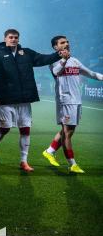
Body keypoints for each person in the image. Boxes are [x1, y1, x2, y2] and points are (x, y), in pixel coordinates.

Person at [0, 28, 63, 172]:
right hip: (6, 98)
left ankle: (23, 161)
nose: (13, 39)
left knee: (25, 130)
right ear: (5, 39)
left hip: (24, 98)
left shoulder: (26, 53)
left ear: (18, 39)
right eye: (11, 37)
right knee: (5, 128)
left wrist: (58, 55)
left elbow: (43, 59)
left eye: (16, 37)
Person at [41, 36, 102, 174]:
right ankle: (72, 164)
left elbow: (91, 74)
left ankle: (49, 151)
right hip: (65, 101)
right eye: (62, 42)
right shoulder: (54, 61)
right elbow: (56, 72)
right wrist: (64, 59)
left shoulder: (75, 61)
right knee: (67, 132)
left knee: (68, 130)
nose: (67, 44)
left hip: (77, 100)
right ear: (55, 48)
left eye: (67, 42)